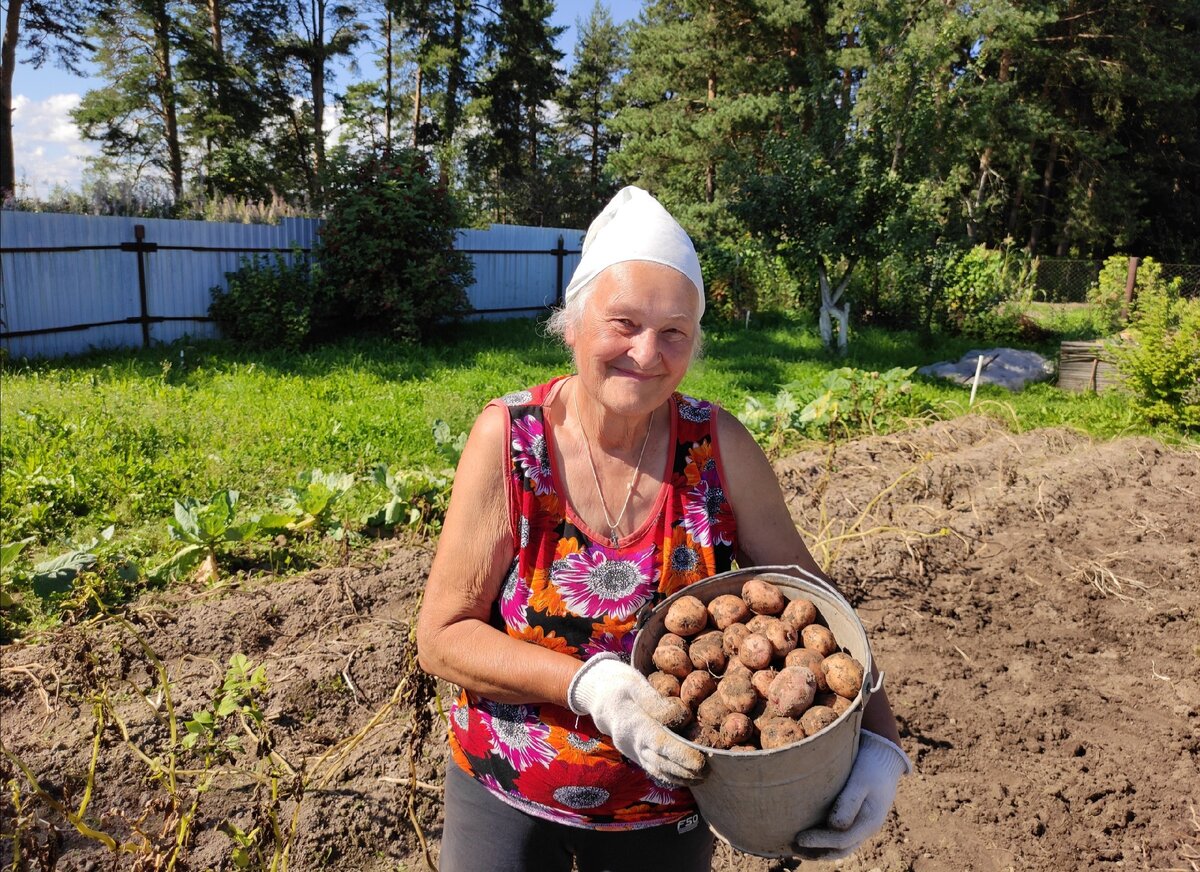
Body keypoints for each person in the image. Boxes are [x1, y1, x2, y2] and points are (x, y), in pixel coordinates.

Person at [416, 186, 910, 872]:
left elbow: (817, 601)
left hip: (666, 812)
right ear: (573, 325)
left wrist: (881, 745)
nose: (647, 353)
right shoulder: (510, 441)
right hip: (507, 793)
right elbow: (441, 640)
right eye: (623, 323)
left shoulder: (718, 445)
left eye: (674, 331)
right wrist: (591, 687)